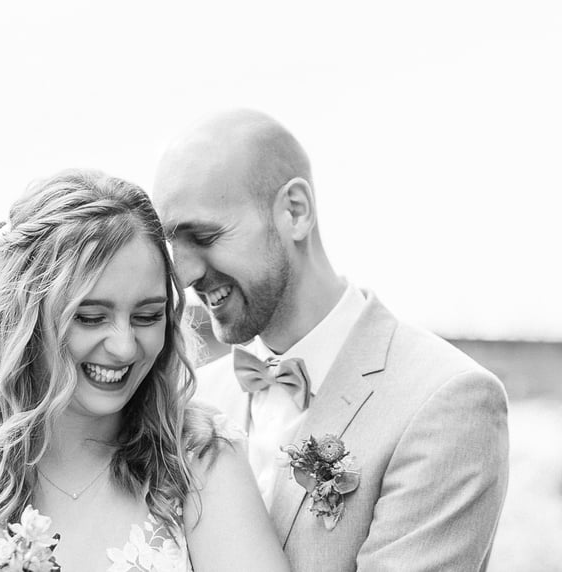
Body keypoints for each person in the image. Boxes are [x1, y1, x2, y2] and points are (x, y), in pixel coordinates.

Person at [0, 169, 290, 572]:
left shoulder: (201, 460)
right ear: (24, 320)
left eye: (147, 316)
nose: (125, 347)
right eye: (91, 318)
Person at [152, 109, 510, 571]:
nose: (183, 276)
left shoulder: (448, 400)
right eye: (172, 246)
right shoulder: (191, 399)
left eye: (204, 236)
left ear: (295, 211)